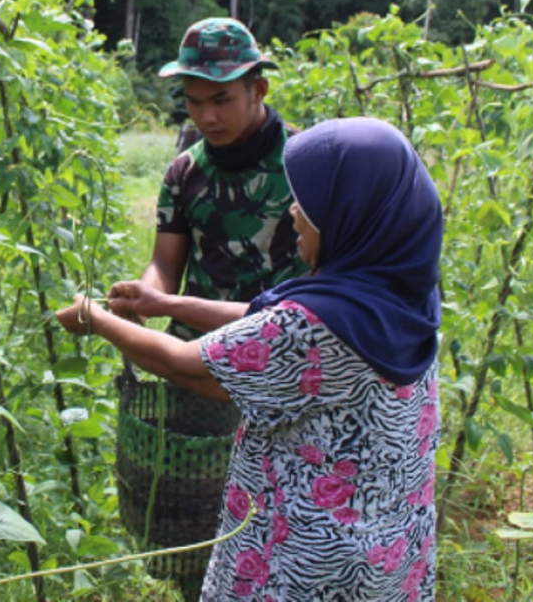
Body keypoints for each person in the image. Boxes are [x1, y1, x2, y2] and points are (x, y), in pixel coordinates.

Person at [58, 117, 443, 601]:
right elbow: (271, 320)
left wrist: (96, 318)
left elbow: (185, 363)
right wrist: (167, 303)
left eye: (311, 203)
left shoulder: (311, 325)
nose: (294, 214)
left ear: (351, 213)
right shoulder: (401, 292)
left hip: (307, 566)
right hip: (389, 549)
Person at [110, 16, 306, 338]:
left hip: (282, 347)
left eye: (221, 100)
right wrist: (139, 301)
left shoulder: (306, 162)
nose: (206, 117)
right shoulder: (185, 172)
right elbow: (165, 267)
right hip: (199, 348)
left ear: (258, 90)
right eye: (194, 102)